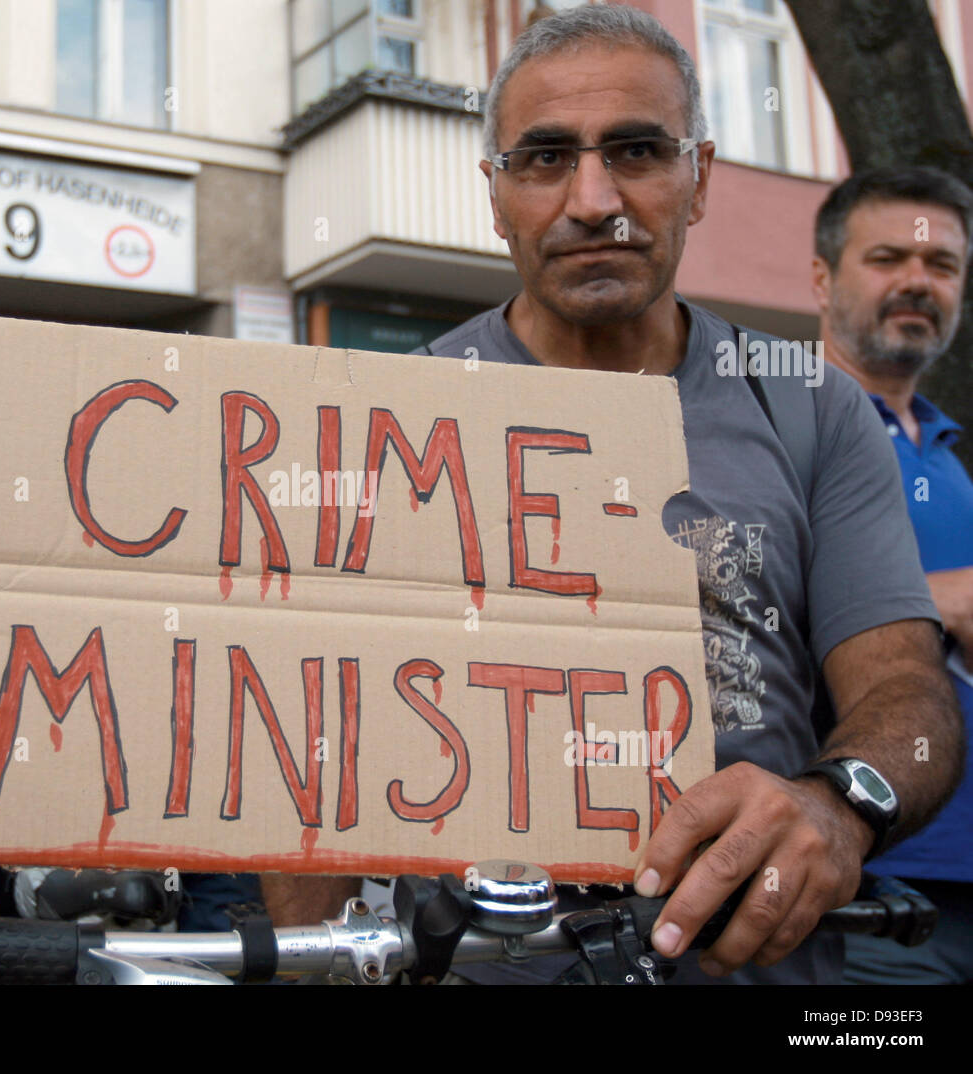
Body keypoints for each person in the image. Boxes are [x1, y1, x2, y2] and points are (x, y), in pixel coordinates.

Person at [404, 6, 961, 984]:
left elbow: (905, 693)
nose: (592, 199)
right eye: (541, 160)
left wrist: (839, 806)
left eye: (637, 151)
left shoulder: (812, 408)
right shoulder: (396, 414)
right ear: (493, 198)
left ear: (698, 177)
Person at [811, 166, 973, 984]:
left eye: (941, 266)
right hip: (870, 889)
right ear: (821, 277)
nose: (917, 280)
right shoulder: (781, 424)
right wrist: (945, 601)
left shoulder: (947, 452)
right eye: (887, 258)